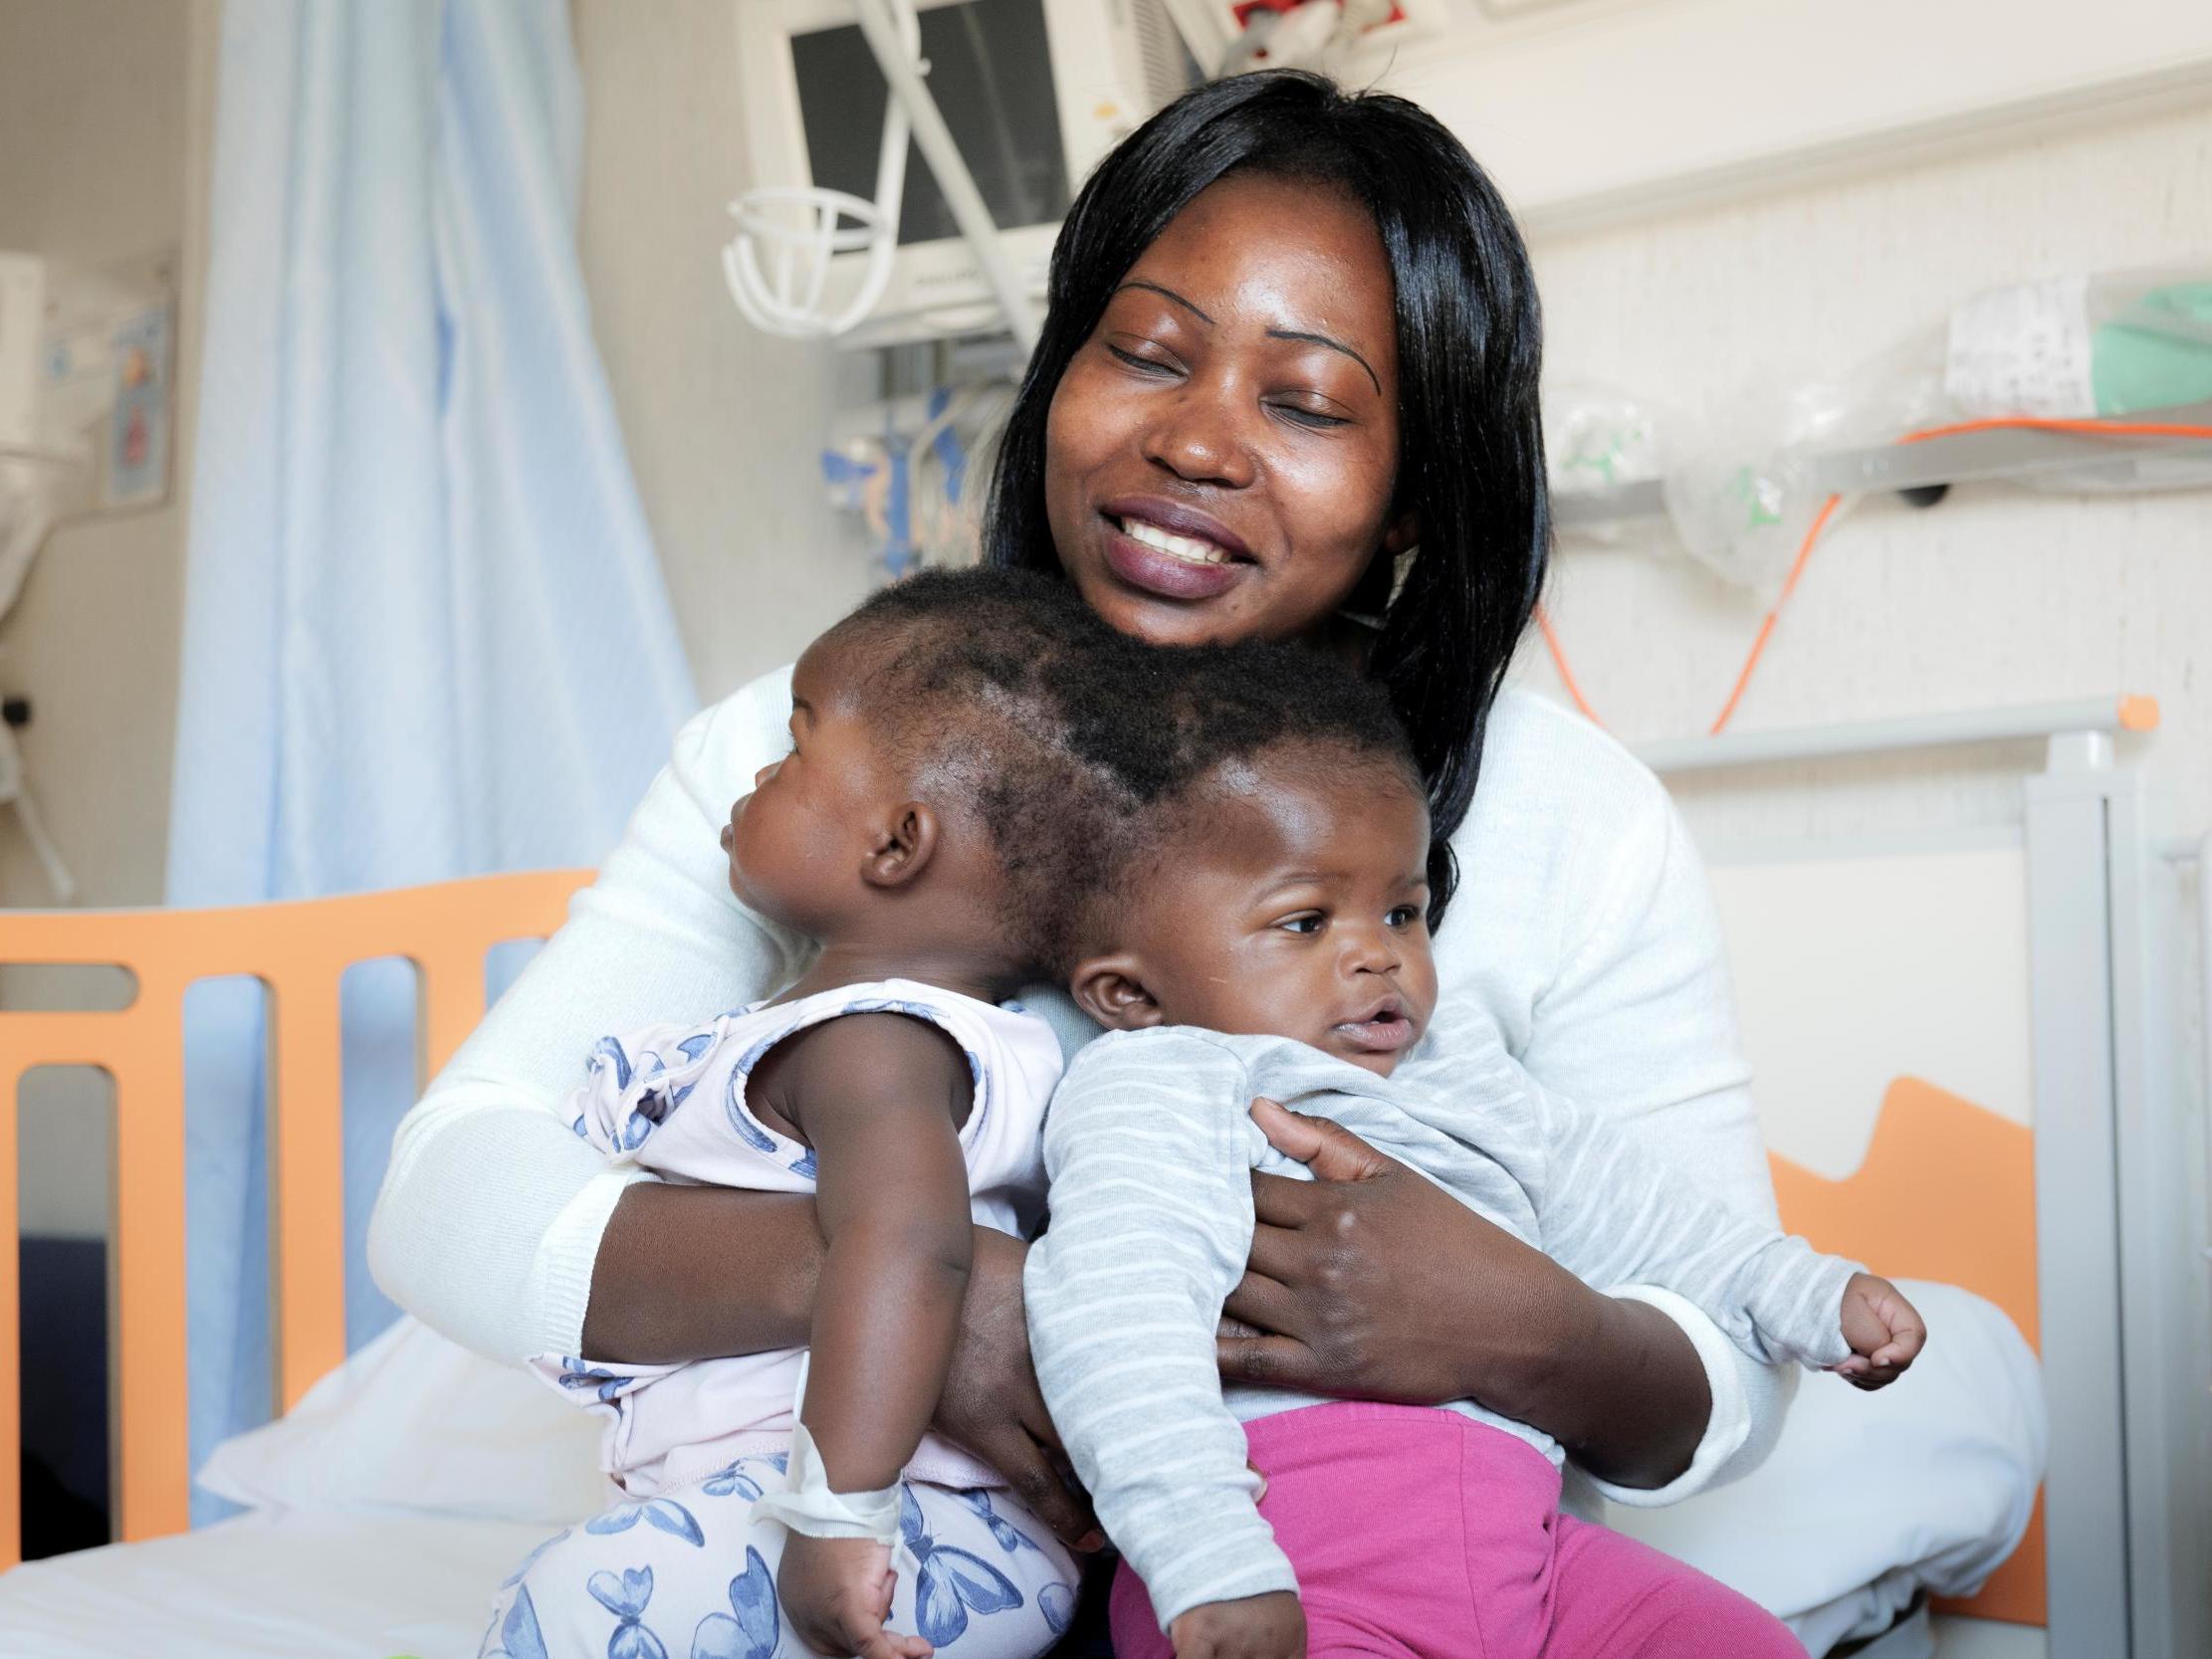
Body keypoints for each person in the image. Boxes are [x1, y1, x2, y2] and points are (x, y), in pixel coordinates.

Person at [373, 70, 2036, 1648]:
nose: (1196, 439)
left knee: (1940, 1392)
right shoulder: (839, 750)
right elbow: (450, 1192)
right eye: (1146, 353)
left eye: (1305, 401)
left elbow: (1721, 1356)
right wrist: (920, 1288)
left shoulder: (1568, 821)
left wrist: (1527, 1323)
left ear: (1406, 501)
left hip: (1373, 1539)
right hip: (932, 1549)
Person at [1022, 636, 1925, 1659]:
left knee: (1740, 1641)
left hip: (1526, 1555)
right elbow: (1111, 1322)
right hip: (1292, 1564)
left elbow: (1655, 1220)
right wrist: (1207, 1557)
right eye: (1305, 920)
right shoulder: (1163, 1080)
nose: (1378, 952)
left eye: (1401, 909)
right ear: (1128, 994)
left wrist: (1810, 1292)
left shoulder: (1469, 1081)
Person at [483, 571, 1124, 1659]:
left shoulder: (874, 1041)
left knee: (565, 1609)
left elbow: (910, 1245)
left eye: (793, 749)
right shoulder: (874, 1031)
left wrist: (838, 1516)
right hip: (860, 1514)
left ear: (895, 842)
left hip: (908, 1522)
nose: (756, 774)